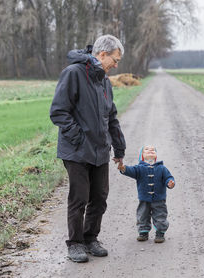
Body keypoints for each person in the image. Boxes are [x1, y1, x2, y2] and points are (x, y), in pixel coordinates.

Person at [49, 35, 126, 263]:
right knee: (79, 197)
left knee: (99, 197)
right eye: (115, 59)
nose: (117, 65)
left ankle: (91, 238)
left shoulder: (104, 80)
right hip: (76, 151)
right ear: (102, 54)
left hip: (100, 149)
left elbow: (111, 116)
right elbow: (58, 112)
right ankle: (75, 243)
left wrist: (119, 147)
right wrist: (79, 138)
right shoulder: (73, 74)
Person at [117, 145, 175, 243]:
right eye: (147, 150)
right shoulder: (139, 168)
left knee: (160, 215)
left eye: (153, 150)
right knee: (142, 215)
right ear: (142, 156)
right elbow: (130, 170)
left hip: (159, 198)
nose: (150, 151)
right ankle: (143, 232)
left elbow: (168, 177)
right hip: (144, 198)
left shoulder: (162, 168)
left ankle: (160, 232)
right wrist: (123, 168)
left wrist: (170, 183)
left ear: (156, 155)